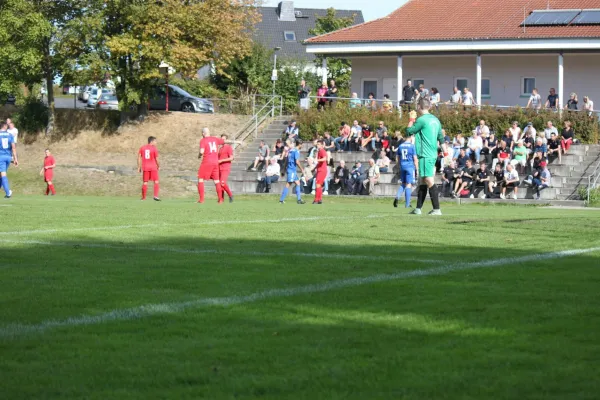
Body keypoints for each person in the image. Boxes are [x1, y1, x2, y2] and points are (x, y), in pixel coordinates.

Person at [405, 98, 445, 215]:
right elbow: (441, 137)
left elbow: (408, 131)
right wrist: (445, 152)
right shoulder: (435, 120)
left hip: (425, 154)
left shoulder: (421, 120)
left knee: (428, 179)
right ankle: (418, 209)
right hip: (432, 154)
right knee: (422, 181)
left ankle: (437, 209)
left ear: (419, 106)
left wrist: (411, 119)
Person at [197, 127, 225, 204]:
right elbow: (223, 141)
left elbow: (202, 151)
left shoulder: (203, 140)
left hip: (207, 161)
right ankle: (220, 199)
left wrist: (199, 155)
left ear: (203, 133)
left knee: (200, 179)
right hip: (215, 162)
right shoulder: (215, 139)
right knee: (216, 181)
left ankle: (201, 200)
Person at [394, 135, 417, 208]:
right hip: (410, 166)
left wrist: (398, 166)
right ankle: (407, 204)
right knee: (408, 184)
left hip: (402, 166)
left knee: (403, 183)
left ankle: (397, 196)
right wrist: (417, 169)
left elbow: (397, 158)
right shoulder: (412, 146)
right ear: (411, 137)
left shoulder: (400, 146)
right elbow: (415, 159)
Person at [279, 140, 305, 204]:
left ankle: (299, 200)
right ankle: (281, 200)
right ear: (300, 144)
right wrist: (302, 169)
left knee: (298, 183)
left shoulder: (291, 150)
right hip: (292, 170)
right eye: (302, 145)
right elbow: (297, 161)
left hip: (291, 169)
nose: (302, 146)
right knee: (288, 184)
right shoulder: (296, 151)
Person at [137, 136, 160, 201]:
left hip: (145, 167)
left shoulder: (142, 148)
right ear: (152, 141)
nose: (156, 142)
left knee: (145, 182)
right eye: (155, 141)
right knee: (156, 181)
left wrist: (139, 167)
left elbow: (139, 157)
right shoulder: (154, 148)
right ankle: (155, 196)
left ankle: (143, 198)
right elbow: (157, 159)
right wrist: (158, 166)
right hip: (153, 167)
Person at [0, 122, 17, 198]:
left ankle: (8, 192)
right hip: (8, 157)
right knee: (1, 175)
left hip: (1, 157)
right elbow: (13, 148)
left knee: (3, 175)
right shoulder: (10, 135)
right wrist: (15, 159)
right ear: (5, 126)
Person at [218, 134, 234, 202]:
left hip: (225, 167)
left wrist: (222, 160)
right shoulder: (220, 148)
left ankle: (230, 195)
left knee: (223, 183)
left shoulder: (229, 147)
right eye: (222, 139)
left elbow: (231, 158)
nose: (223, 140)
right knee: (219, 185)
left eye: (224, 139)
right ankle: (221, 199)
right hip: (219, 168)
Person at [313, 140, 328, 204]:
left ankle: (316, 199)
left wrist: (317, 159)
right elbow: (319, 162)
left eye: (319, 144)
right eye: (317, 144)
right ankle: (319, 199)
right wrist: (314, 168)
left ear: (322, 145)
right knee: (319, 185)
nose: (317, 145)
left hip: (322, 170)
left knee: (318, 184)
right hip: (320, 170)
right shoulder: (319, 151)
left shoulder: (322, 151)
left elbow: (325, 159)